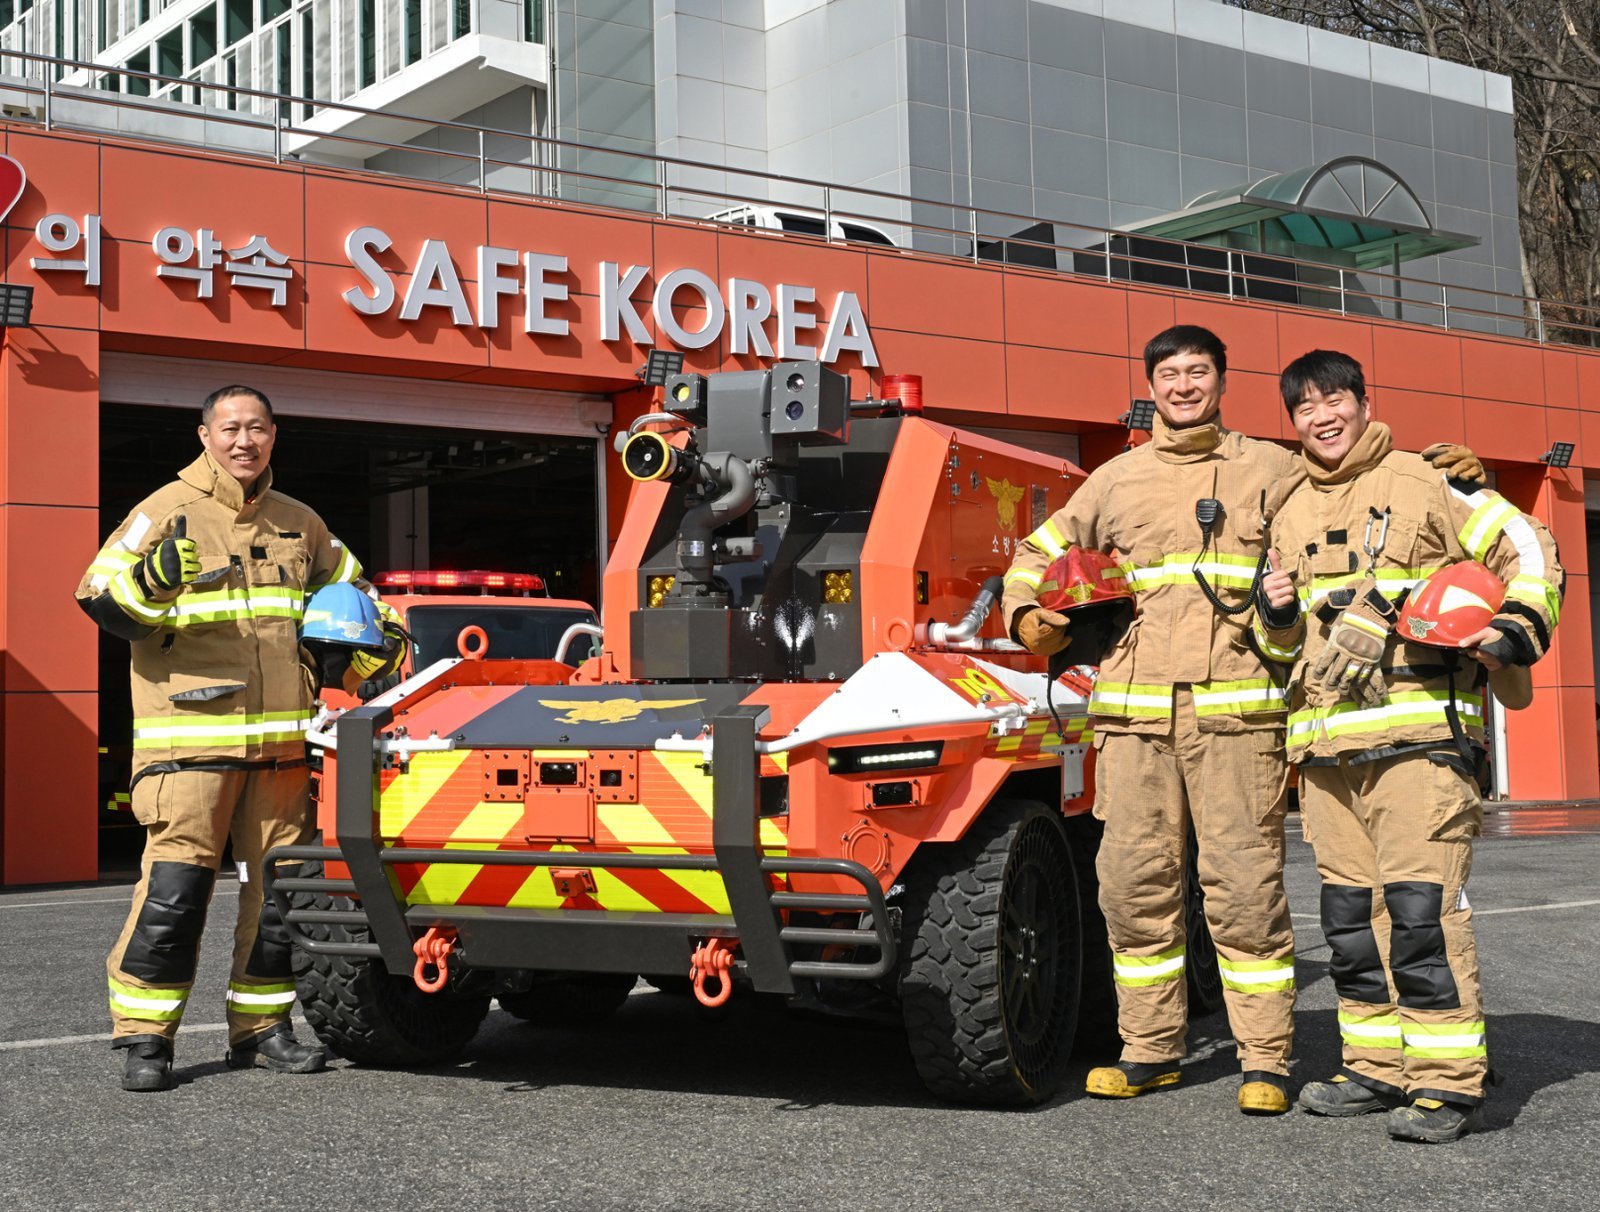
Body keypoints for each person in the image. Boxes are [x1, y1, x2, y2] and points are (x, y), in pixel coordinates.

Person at [1001, 325, 1486, 1116]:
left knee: (1245, 893)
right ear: (1150, 386)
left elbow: (1358, 478)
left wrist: (1451, 474)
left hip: (1240, 721)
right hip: (1132, 724)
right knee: (1132, 890)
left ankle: (1265, 1057)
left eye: (1198, 372)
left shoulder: (1275, 467)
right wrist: (1028, 614)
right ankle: (1150, 1049)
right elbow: (1036, 552)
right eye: (1168, 374)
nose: (1183, 385)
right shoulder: (1114, 479)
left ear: (1223, 382)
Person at [1257, 349, 1561, 1143]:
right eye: (1304, 408)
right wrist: (1276, 611)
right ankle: (1374, 1067)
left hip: (1420, 743)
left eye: (1334, 400)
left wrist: (1513, 631)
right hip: (1326, 756)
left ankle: (1447, 1084)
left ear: (1363, 401)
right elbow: (1282, 646)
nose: (1321, 417)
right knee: (1352, 921)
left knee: (1421, 916)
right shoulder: (1286, 507)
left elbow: (1526, 549)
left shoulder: (1430, 479)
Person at [77, 385, 400, 1092]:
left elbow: (359, 600)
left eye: (256, 427)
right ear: (204, 435)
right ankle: (145, 1038)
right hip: (188, 746)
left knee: (278, 900)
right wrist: (152, 582)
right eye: (229, 428)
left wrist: (381, 642)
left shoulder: (301, 523)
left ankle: (260, 1030)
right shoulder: (165, 512)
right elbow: (99, 596)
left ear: (274, 435)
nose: (243, 440)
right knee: (174, 894)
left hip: (282, 753)